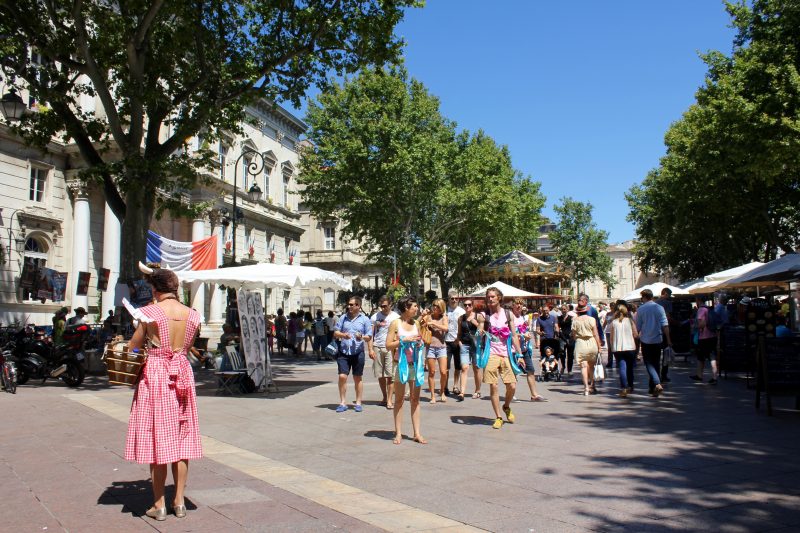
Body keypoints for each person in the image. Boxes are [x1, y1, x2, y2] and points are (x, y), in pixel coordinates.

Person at [125, 263, 202, 521]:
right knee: (181, 440)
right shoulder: (193, 314)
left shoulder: (149, 313)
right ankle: (179, 501)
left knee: (158, 438)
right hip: (182, 373)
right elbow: (188, 345)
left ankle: (159, 504)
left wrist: (135, 350)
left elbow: (133, 348)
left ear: (155, 288)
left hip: (157, 374)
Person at [478, 287, 524, 429]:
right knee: (494, 385)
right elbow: (480, 329)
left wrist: (519, 354)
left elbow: (514, 335)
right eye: (488, 296)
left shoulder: (508, 314)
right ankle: (498, 417)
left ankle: (506, 406)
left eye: (492, 296)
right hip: (491, 352)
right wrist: (480, 331)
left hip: (506, 353)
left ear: (499, 298)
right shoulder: (484, 315)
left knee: (512, 385)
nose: (490, 299)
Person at [385, 296, 426, 445]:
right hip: (400, 365)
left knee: (415, 399)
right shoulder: (395, 324)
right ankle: (398, 433)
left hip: (415, 365)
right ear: (406, 308)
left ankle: (417, 433)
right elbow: (388, 345)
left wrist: (419, 344)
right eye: (414, 306)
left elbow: (420, 341)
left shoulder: (416, 323)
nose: (417, 308)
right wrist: (403, 341)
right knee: (399, 400)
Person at [333, 297, 372, 412]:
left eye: (352, 305)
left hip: (358, 352)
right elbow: (335, 332)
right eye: (348, 304)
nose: (349, 306)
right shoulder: (343, 318)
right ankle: (343, 402)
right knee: (342, 376)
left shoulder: (365, 319)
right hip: (343, 351)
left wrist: (362, 337)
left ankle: (358, 402)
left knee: (357, 377)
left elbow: (369, 336)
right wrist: (343, 335)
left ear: (358, 306)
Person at [635, 289, 672, 397]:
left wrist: (635, 339)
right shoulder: (659, 308)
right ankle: (652, 388)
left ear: (644, 297)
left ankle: (657, 383)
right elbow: (665, 324)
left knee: (648, 363)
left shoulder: (641, 309)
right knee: (656, 363)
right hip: (658, 339)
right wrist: (669, 339)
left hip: (646, 339)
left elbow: (638, 326)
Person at [511, 298, 546, 401]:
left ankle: (534, 395)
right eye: (516, 304)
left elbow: (524, 330)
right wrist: (522, 335)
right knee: (513, 372)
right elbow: (509, 333)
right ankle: (511, 394)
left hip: (525, 349)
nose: (519, 306)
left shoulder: (522, 317)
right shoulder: (510, 317)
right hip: (514, 350)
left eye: (520, 304)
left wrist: (526, 335)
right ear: (512, 305)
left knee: (530, 370)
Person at [369, 296, 399, 409]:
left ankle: (390, 400)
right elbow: (370, 334)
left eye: (385, 306)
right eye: (381, 306)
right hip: (378, 346)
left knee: (390, 375)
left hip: (390, 347)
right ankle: (385, 397)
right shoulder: (374, 317)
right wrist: (371, 349)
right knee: (380, 375)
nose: (383, 308)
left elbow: (399, 333)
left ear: (390, 304)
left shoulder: (396, 317)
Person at [421, 298, 449, 404]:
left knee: (443, 372)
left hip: (441, 347)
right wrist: (423, 316)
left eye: (437, 306)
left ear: (441, 308)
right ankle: (432, 395)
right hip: (430, 347)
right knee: (431, 372)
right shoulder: (428, 317)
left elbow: (446, 328)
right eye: (433, 305)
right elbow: (420, 325)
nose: (435, 307)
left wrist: (434, 324)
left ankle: (442, 392)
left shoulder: (444, 317)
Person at [573, 300, 603, 396]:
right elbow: (596, 334)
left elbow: (573, 335)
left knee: (583, 366)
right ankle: (592, 385)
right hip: (591, 342)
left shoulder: (575, 320)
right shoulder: (591, 319)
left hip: (580, 343)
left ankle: (586, 388)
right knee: (591, 366)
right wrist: (599, 346)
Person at [608, 303, 638, 397]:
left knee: (622, 368)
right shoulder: (630, 321)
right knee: (630, 368)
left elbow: (611, 338)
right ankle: (631, 385)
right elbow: (636, 334)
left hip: (618, 348)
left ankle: (624, 387)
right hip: (630, 348)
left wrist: (612, 348)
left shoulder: (614, 322)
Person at [690, 296, 718, 385]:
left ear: (698, 300)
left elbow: (702, 324)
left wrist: (694, 326)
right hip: (712, 336)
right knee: (710, 357)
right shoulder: (708, 309)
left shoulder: (701, 310)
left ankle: (702, 376)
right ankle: (710, 376)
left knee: (702, 357)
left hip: (704, 337)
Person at [457, 299, 481, 401]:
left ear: (472, 306)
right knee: (464, 368)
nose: (467, 306)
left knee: (476, 368)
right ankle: (462, 392)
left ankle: (477, 390)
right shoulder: (461, 318)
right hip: (465, 345)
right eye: (465, 305)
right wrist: (459, 342)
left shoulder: (478, 316)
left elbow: (483, 332)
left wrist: (476, 324)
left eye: (469, 305)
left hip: (476, 345)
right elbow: (459, 332)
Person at [445, 291, 465, 396]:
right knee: (446, 367)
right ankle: (445, 386)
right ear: (448, 299)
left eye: (456, 298)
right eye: (452, 298)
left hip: (457, 341)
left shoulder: (461, 311)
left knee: (458, 366)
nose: (454, 300)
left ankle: (455, 386)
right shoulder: (444, 310)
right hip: (446, 342)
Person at [655, 288, 675, 382]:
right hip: (665, 330)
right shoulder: (667, 303)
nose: (670, 297)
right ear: (665, 293)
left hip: (655, 331)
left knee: (657, 355)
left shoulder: (655, 303)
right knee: (666, 355)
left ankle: (657, 375)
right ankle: (664, 375)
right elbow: (668, 318)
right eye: (669, 294)